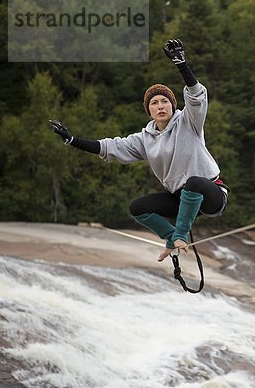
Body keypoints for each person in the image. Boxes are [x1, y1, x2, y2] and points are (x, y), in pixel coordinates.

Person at [50, 39, 228, 262]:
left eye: (165, 101)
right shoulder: (144, 139)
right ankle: (172, 237)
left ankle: (180, 233)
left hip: (210, 194)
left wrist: (182, 65)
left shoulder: (188, 123)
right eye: (154, 103)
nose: (160, 106)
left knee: (193, 182)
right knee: (138, 207)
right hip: (182, 200)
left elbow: (197, 98)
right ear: (149, 110)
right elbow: (109, 147)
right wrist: (72, 140)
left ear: (173, 106)